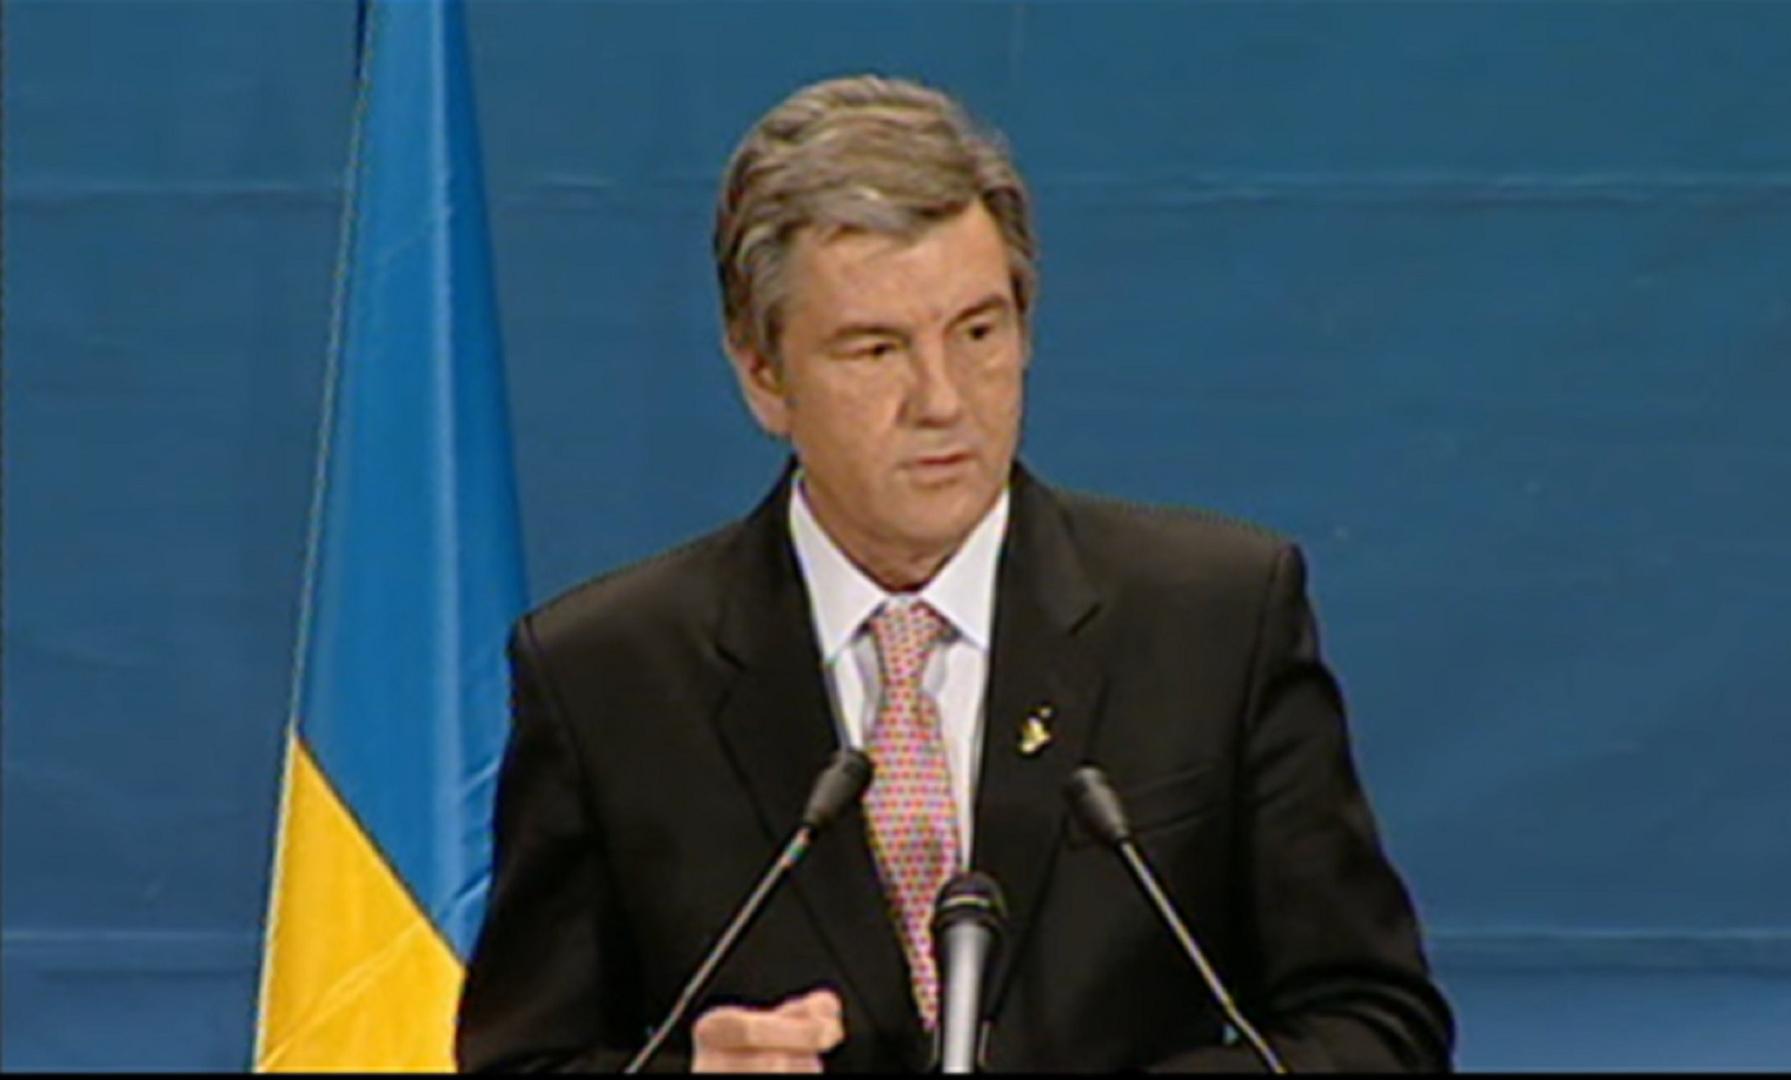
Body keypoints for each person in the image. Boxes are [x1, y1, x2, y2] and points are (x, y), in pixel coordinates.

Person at [456, 74, 1453, 1073]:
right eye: (875, 349)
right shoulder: (607, 678)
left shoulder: (1215, 620)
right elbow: (520, 1061)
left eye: (978, 332)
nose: (942, 400)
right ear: (762, 373)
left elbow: (1377, 1026)